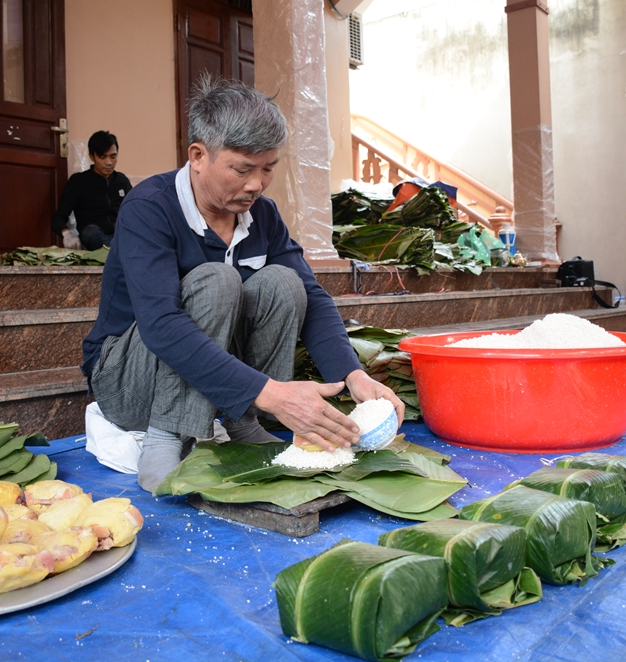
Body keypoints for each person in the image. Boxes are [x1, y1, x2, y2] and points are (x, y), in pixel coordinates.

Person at [80, 76, 405, 492]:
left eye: (268, 168)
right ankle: (167, 433)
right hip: (128, 378)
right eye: (242, 169)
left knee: (284, 282)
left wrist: (355, 376)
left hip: (216, 387)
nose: (256, 183)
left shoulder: (262, 216)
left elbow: (311, 297)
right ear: (198, 156)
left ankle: (242, 421)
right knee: (216, 280)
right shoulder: (150, 207)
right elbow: (161, 323)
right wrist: (272, 393)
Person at [51, 131, 132, 251]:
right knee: (91, 231)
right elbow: (58, 219)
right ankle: (115, 253)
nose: (109, 162)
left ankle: (114, 252)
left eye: (113, 157)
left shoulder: (122, 181)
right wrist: (67, 234)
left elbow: (135, 212)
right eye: (102, 157)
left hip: (119, 236)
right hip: (93, 238)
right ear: (91, 156)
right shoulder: (78, 182)